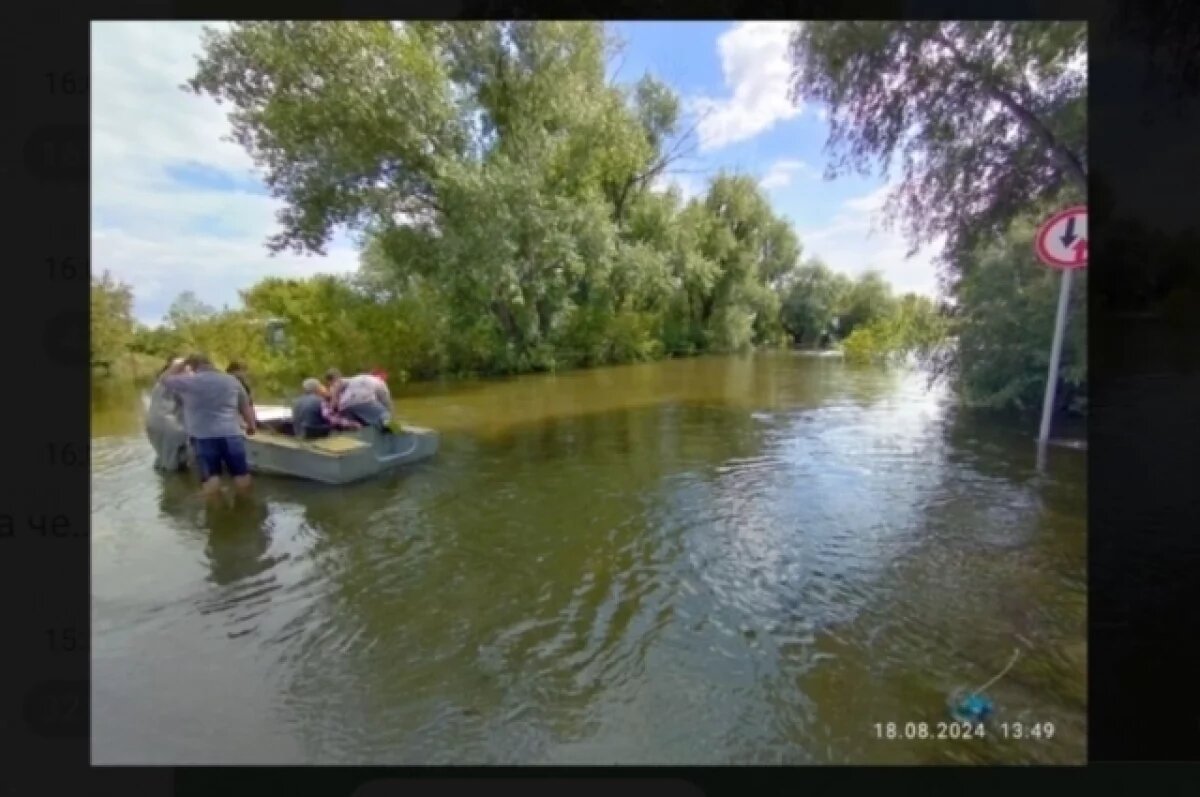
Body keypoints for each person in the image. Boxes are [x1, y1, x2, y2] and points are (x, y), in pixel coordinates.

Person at [163, 353, 257, 497]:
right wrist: (251, 425)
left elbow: (164, 380)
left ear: (193, 366)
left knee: (211, 479)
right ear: (211, 364)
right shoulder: (232, 381)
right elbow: (245, 406)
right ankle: (244, 508)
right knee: (241, 475)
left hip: (203, 437)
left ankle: (215, 515)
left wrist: (179, 365)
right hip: (231, 434)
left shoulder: (188, 381)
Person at [145, 356, 191, 471]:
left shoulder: (160, 384)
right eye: (186, 369)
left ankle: (166, 483)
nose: (189, 373)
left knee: (164, 458)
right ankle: (176, 485)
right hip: (170, 425)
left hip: (153, 425)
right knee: (175, 464)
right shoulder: (172, 383)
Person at [329, 369, 393, 429]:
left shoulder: (356, 378)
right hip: (364, 401)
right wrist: (390, 417)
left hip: (345, 406)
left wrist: (334, 403)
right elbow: (387, 403)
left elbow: (338, 383)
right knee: (385, 415)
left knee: (361, 422)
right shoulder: (380, 382)